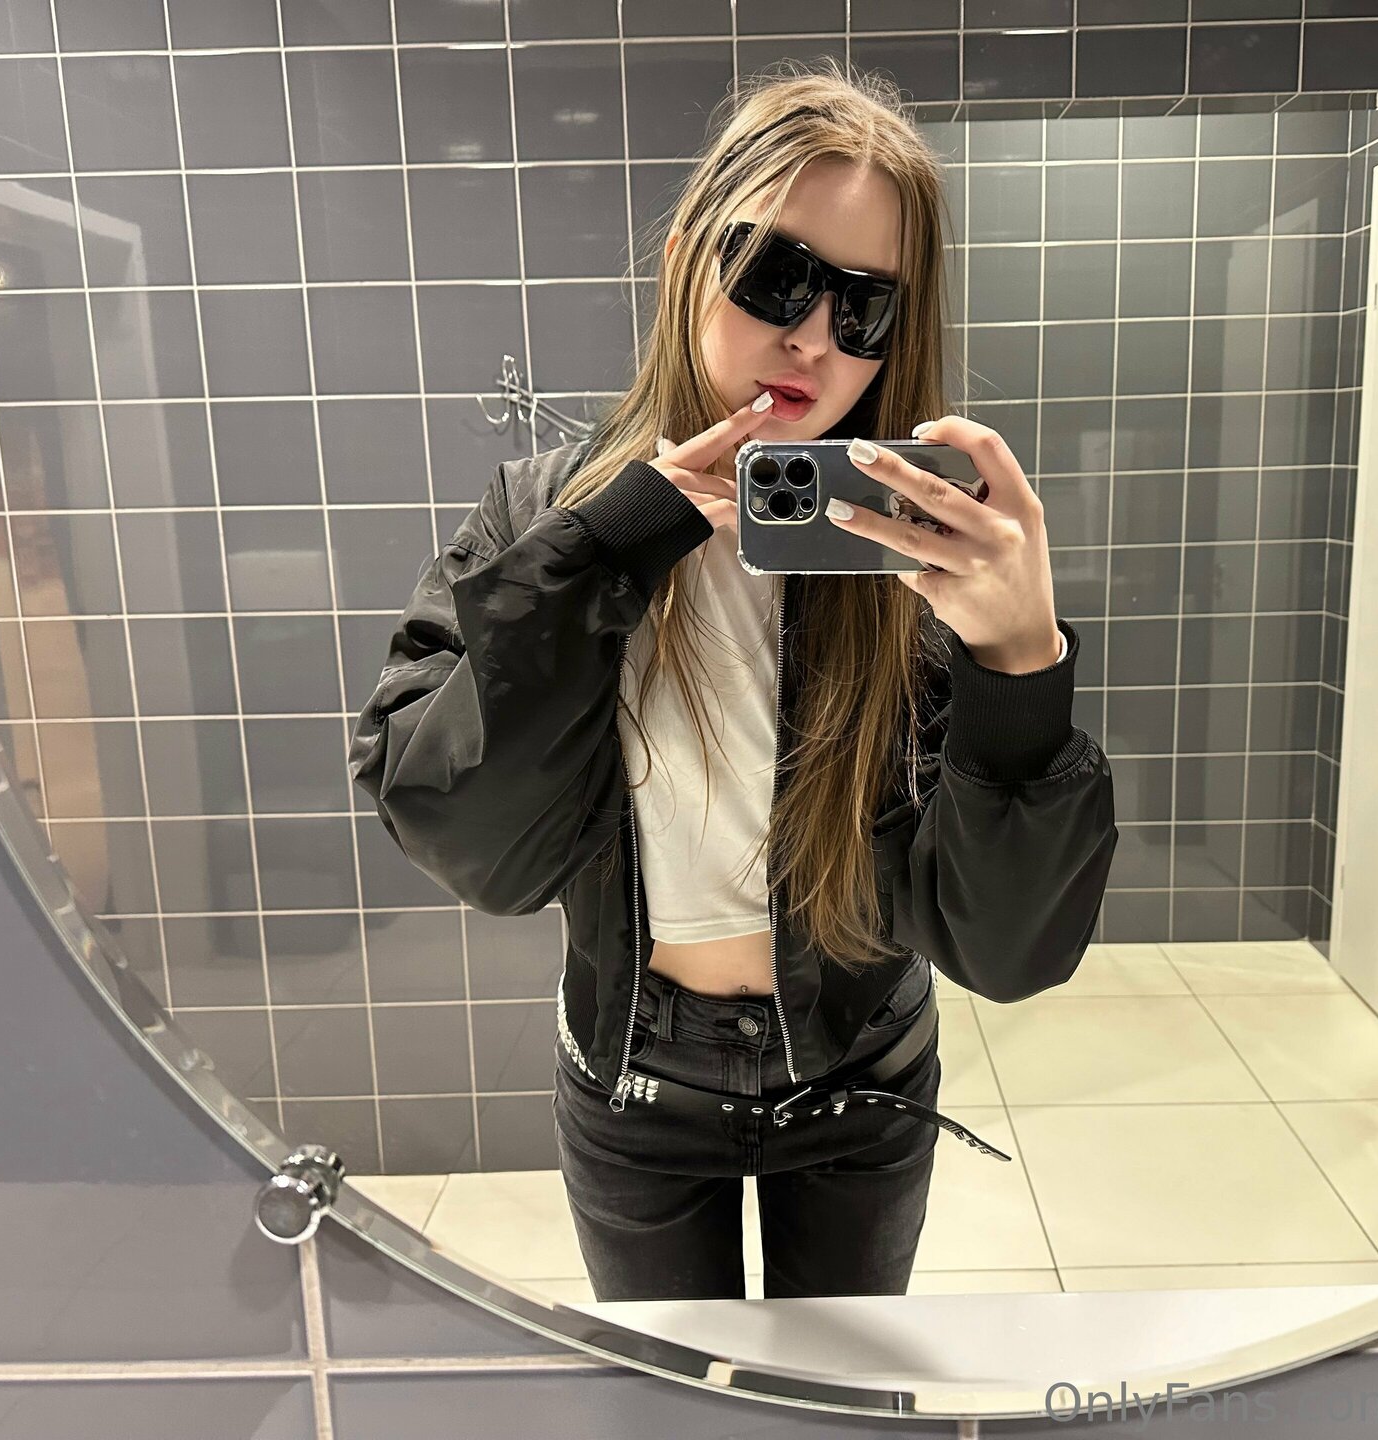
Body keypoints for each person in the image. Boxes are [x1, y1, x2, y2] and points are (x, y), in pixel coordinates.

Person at [348, 62, 1117, 1302]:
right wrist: (608, 550)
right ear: (689, 260)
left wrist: (1019, 667)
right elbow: (472, 844)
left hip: (860, 1084)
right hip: (631, 1085)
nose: (813, 337)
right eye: (778, 274)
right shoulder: (547, 514)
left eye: (865, 307)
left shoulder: (915, 554)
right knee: (665, 1393)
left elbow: (1008, 948)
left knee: (842, 1395)